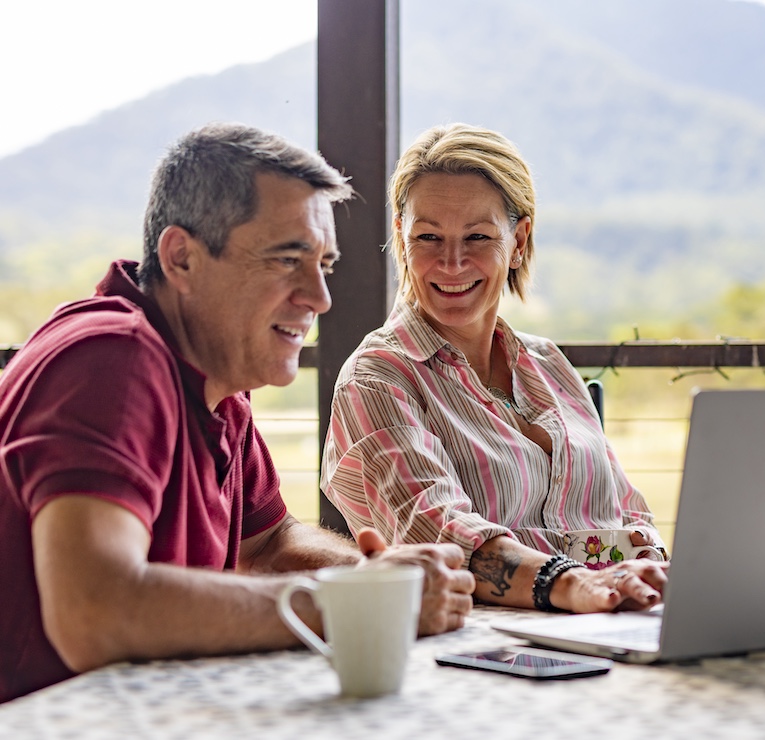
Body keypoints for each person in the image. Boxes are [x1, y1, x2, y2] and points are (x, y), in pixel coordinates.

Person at [0, 123, 475, 704]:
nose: (320, 297)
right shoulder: (111, 359)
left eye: (323, 264)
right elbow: (96, 611)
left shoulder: (214, 377)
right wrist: (345, 604)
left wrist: (381, 580)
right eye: (286, 260)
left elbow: (270, 544)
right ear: (182, 259)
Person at [321, 123, 668, 615]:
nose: (452, 261)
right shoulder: (377, 378)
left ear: (519, 240)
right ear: (402, 238)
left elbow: (629, 512)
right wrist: (576, 585)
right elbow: (438, 533)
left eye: (478, 236)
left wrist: (653, 571)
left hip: (617, 619)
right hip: (479, 647)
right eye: (428, 237)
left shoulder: (549, 364)